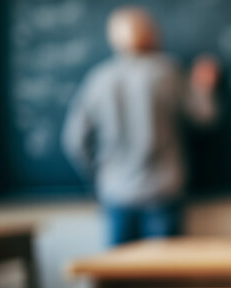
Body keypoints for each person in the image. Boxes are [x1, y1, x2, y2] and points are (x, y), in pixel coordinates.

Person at [62, 6, 219, 246]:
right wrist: (203, 87)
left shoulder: (99, 78)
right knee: (164, 275)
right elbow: (204, 118)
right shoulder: (167, 72)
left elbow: (74, 141)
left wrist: (98, 176)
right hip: (164, 191)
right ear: (151, 34)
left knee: (116, 275)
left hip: (115, 191)